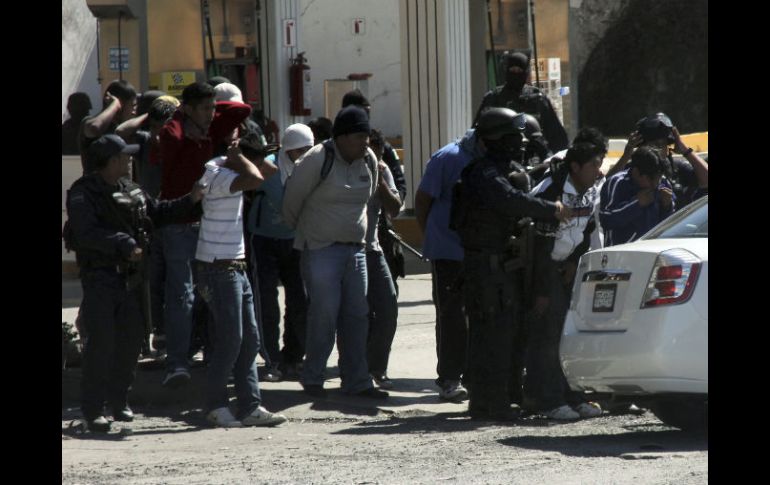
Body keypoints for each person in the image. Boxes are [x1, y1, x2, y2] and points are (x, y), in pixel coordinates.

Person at [64, 134, 204, 432]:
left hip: (132, 281)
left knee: (129, 344)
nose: (129, 161)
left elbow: (158, 212)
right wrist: (124, 243)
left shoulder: (133, 189)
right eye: (124, 157)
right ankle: (93, 409)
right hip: (101, 278)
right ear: (110, 161)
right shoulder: (84, 192)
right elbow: (86, 233)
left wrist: (190, 200)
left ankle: (119, 402)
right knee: (101, 344)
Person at [451, 108, 571, 421]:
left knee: (510, 334)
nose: (520, 143)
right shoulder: (483, 174)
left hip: (505, 266)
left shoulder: (508, 170)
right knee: (493, 337)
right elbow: (509, 201)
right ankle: (490, 402)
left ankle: (502, 397)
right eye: (513, 137)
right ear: (497, 139)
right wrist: (552, 209)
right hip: (487, 269)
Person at [282, 105, 388, 400]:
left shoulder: (368, 159)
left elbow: (368, 198)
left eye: (366, 137)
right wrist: (312, 233)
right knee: (324, 315)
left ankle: (357, 380)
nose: (365, 143)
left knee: (358, 316)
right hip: (320, 251)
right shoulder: (317, 159)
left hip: (355, 252)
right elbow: (291, 203)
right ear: (341, 137)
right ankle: (313, 376)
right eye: (358, 137)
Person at [158, 82, 252, 388]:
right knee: (181, 295)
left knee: (211, 295)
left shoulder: (211, 129)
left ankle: (213, 354)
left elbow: (242, 110)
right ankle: (177, 364)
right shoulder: (173, 133)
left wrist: (211, 108)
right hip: (177, 223)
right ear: (187, 109)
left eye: (213, 108)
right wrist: (179, 115)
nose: (212, 114)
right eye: (205, 108)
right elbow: (170, 144)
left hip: (205, 224)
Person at [195, 131, 287, 427]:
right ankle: (214, 404)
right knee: (231, 339)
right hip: (218, 268)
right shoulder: (219, 175)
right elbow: (258, 178)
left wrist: (246, 154)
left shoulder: (232, 169)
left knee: (250, 339)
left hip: (236, 266)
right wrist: (237, 157)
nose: (260, 166)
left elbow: (269, 169)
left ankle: (250, 407)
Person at [524, 142, 606, 420]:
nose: (599, 170)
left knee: (569, 336)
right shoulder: (550, 192)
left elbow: (587, 230)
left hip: (567, 270)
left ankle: (573, 396)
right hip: (542, 270)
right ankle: (546, 400)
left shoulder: (590, 191)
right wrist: (542, 289)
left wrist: (573, 263)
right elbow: (538, 246)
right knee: (547, 338)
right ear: (575, 167)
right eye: (594, 164)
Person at [414, 127, 485, 403]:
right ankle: (449, 378)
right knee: (452, 315)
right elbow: (423, 200)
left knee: (477, 315)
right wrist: (431, 236)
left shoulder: (492, 157)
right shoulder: (447, 157)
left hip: (478, 251)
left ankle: (473, 373)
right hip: (448, 252)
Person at [246, 123, 313, 382]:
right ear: (288, 149)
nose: (304, 155)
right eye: (300, 150)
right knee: (266, 302)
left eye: (309, 149)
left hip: (295, 241)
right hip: (263, 240)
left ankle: (294, 357)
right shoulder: (270, 167)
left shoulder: (311, 166)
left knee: (300, 300)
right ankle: (271, 360)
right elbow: (288, 204)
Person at [341, 89, 408, 293]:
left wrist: (387, 202)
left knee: (386, 292)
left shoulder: (380, 146)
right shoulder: (335, 148)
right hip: (345, 235)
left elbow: (399, 183)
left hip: (380, 229)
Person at [363, 129, 403, 389]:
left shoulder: (382, 169)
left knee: (387, 308)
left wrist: (380, 181)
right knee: (356, 314)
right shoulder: (340, 168)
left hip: (373, 248)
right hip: (343, 248)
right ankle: (356, 370)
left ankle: (377, 368)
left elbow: (396, 208)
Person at [606, 113, 708, 208]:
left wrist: (685, 150)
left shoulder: (677, 168)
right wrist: (627, 154)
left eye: (661, 145)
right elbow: (608, 186)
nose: (657, 150)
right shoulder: (633, 170)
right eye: (652, 145)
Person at [473, 52, 569, 153]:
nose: (515, 73)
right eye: (512, 70)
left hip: (531, 157)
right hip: (499, 156)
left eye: (519, 70)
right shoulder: (493, 97)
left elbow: (556, 135)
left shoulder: (537, 98)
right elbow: (477, 134)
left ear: (525, 72)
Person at [599, 146, 674, 247]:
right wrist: (636, 204)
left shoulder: (663, 183)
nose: (655, 185)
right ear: (636, 172)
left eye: (658, 178)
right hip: (620, 253)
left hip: (651, 251)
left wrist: (667, 206)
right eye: (650, 179)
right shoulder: (617, 182)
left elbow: (669, 225)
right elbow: (606, 220)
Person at [80, 80, 138, 173]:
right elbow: (94, 128)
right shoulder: (89, 122)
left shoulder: (125, 128)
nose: (134, 112)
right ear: (120, 106)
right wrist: (115, 104)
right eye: (132, 106)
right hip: (96, 186)